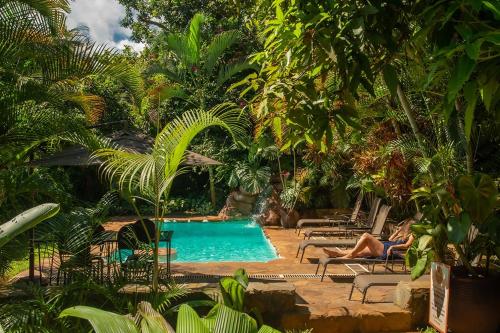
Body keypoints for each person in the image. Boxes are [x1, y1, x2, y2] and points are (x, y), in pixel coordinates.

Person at [322, 215, 419, 259]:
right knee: (359, 252)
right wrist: (397, 233)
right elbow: (390, 240)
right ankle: (337, 254)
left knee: (366, 236)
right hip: (385, 246)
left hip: (387, 251)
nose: (404, 226)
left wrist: (393, 247)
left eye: (406, 225)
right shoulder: (403, 234)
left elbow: (406, 246)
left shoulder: (413, 235)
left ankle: (349, 255)